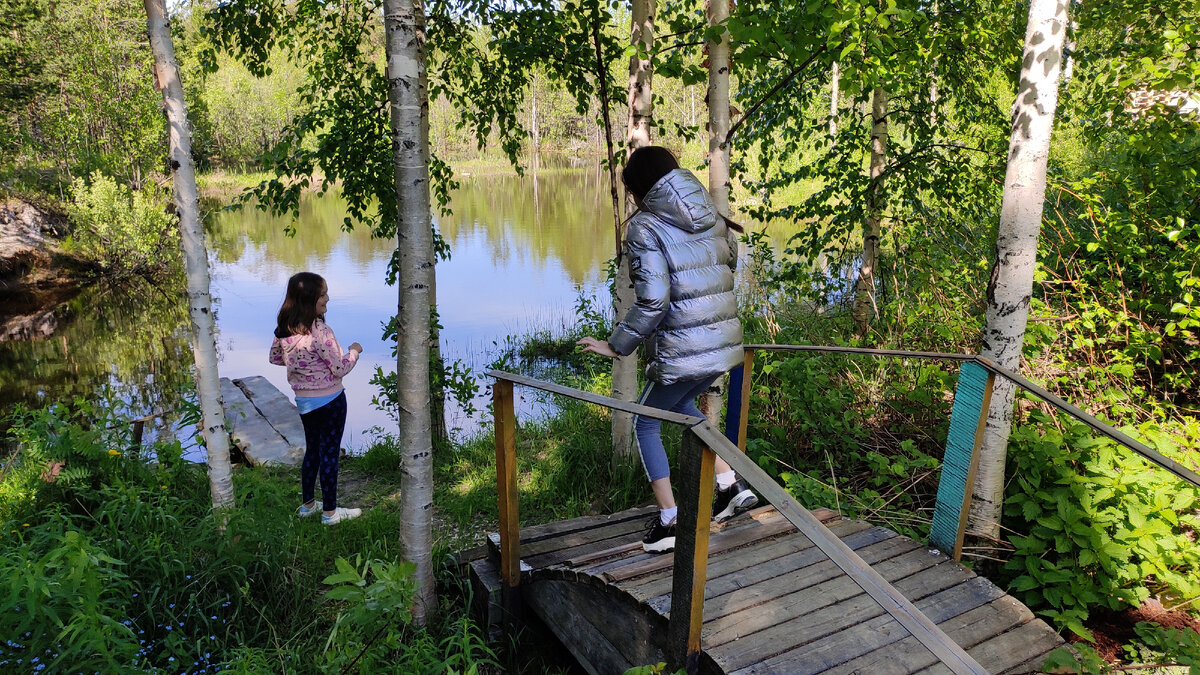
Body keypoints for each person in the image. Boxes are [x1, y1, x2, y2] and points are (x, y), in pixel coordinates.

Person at [577, 146, 757, 553]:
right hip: (723, 347)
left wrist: (616, 345)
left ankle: (671, 521)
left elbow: (654, 301)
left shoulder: (644, 227)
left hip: (685, 349)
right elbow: (729, 261)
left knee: (646, 422)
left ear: (640, 190)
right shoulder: (709, 212)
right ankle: (730, 487)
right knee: (680, 408)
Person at [269, 272, 364, 525]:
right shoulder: (320, 331)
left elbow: (275, 358)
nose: (327, 299)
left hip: (305, 403)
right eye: (323, 295)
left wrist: (300, 363)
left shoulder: (284, 328)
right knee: (329, 453)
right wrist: (354, 351)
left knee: (313, 451)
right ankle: (331, 513)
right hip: (330, 401)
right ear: (310, 299)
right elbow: (339, 368)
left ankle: (308, 505)